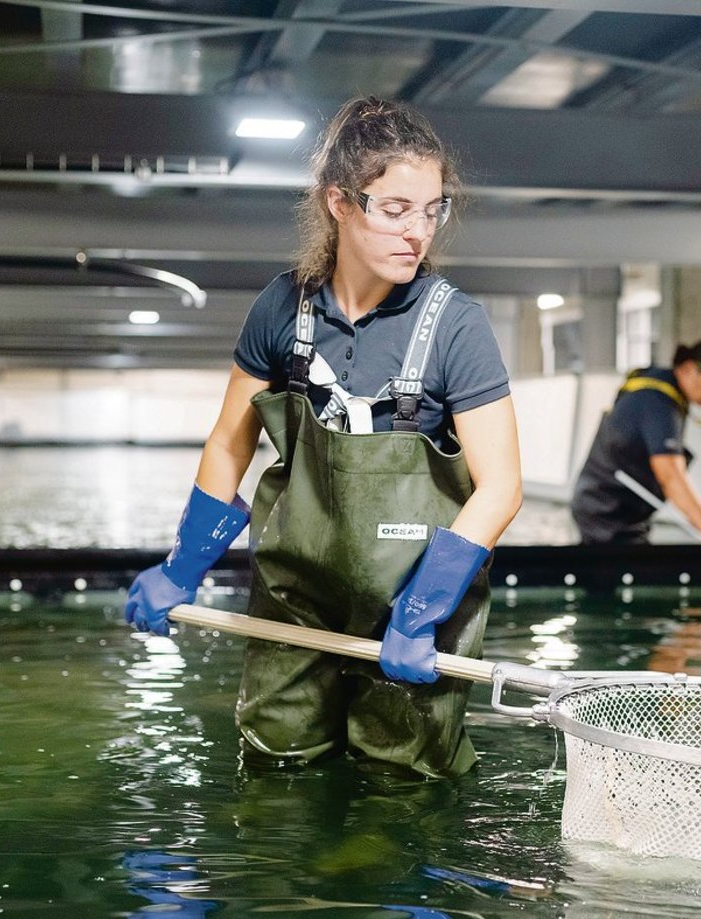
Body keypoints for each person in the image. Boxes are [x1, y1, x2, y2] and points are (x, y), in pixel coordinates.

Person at [124, 96, 522, 779]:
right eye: (396, 209)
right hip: (295, 601)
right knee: (277, 769)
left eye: (433, 210)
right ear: (340, 202)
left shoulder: (456, 326)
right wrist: (182, 565)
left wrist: (422, 611)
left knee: (403, 783)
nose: (418, 232)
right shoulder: (281, 308)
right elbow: (230, 442)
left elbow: (502, 485)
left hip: (410, 605)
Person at [570, 338, 701, 545]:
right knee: (624, 571)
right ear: (689, 368)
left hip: (617, 507)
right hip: (607, 509)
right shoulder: (657, 402)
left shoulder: (661, 391)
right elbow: (670, 474)